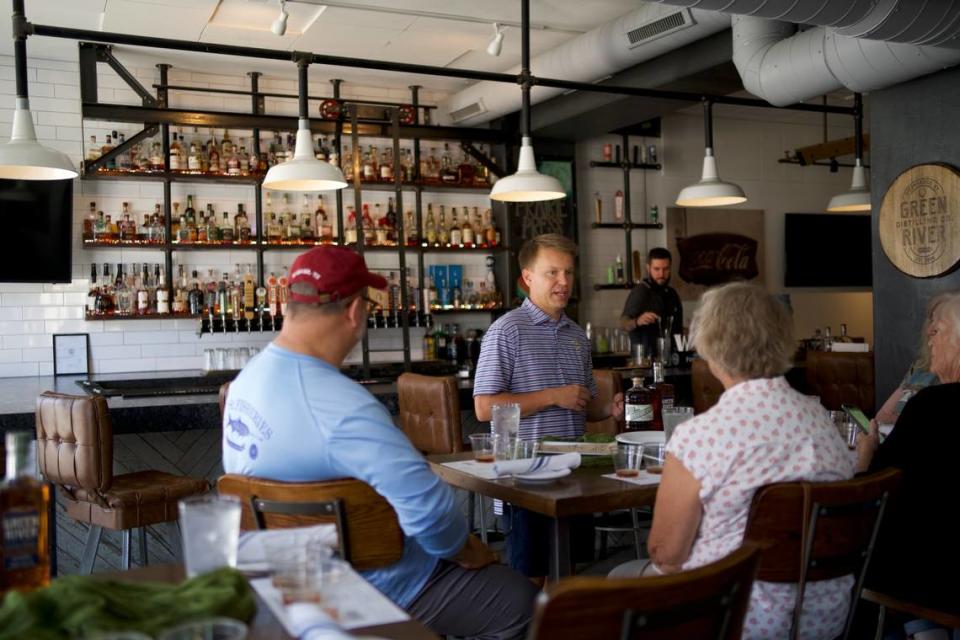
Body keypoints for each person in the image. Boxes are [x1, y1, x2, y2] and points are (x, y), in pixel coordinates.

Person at [223, 246, 537, 640]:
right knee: (526, 604)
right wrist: (467, 549)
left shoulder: (242, 386)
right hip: (375, 587)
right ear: (355, 312)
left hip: (286, 582)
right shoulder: (343, 405)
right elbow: (430, 514)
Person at [614, 282, 856, 639]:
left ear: (709, 346)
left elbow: (666, 555)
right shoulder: (822, 424)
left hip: (731, 616)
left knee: (620, 577)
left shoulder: (701, 436)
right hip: (824, 619)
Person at [474, 233, 622, 577]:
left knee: (569, 572)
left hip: (574, 472)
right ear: (527, 278)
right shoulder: (506, 330)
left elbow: (582, 404)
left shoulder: (575, 335)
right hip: (525, 480)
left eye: (568, 272)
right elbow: (484, 407)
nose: (563, 282)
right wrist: (553, 395)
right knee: (531, 579)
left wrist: (609, 409)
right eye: (552, 273)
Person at [857, 291, 960, 616]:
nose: (928, 339)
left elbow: (875, 493)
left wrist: (865, 455)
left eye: (937, 330)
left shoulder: (931, 407)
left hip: (932, 578)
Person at [874, 293, 947, 424]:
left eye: (938, 327)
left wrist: (897, 419)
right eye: (931, 321)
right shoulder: (918, 367)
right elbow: (881, 415)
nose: (930, 331)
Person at [619, 247, 683, 360]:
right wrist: (637, 321)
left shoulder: (672, 294)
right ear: (648, 268)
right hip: (644, 362)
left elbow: (678, 330)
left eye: (666, 269)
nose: (661, 274)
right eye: (657, 269)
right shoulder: (641, 292)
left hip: (671, 360)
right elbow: (623, 323)